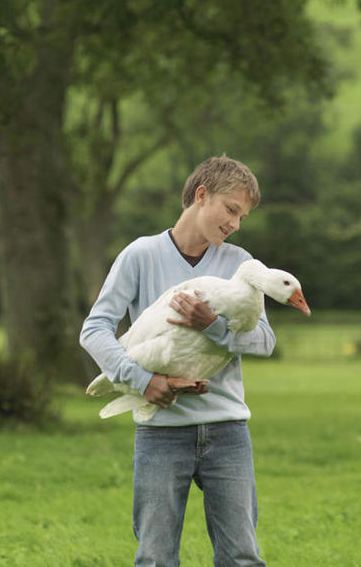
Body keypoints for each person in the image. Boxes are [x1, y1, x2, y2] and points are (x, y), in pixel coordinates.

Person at [80, 154, 274, 566]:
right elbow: (94, 329)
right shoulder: (140, 255)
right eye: (231, 210)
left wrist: (213, 327)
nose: (236, 224)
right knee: (155, 558)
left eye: (242, 217)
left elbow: (265, 341)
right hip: (161, 433)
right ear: (201, 195)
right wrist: (142, 380)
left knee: (242, 556)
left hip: (227, 430)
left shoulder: (241, 264)